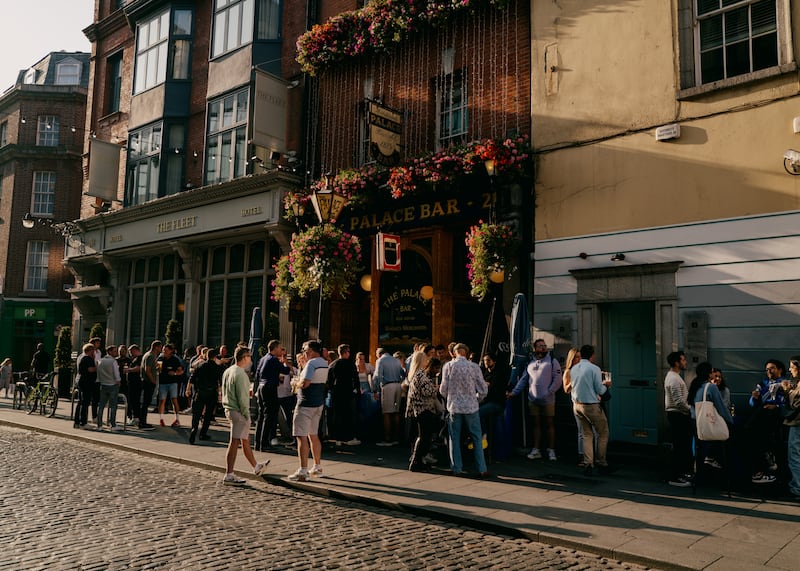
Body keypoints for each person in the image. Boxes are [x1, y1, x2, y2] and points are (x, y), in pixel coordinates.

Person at [507, 339, 562, 461]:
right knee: (536, 424)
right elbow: (523, 380)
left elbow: (558, 379)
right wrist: (514, 392)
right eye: (540, 346)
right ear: (535, 348)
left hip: (548, 400)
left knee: (549, 424)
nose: (542, 347)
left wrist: (549, 392)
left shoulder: (552, 361)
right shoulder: (530, 363)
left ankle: (551, 450)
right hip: (533, 399)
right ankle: (536, 449)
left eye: (544, 345)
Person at [440, 343, 489, 477]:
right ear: (466, 353)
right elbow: (483, 389)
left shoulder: (448, 366)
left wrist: (450, 398)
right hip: (471, 407)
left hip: (454, 407)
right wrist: (476, 399)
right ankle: (482, 468)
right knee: (476, 437)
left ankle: (457, 468)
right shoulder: (474, 367)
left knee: (454, 438)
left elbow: (443, 389)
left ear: (455, 353)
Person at [221, 346, 269, 485]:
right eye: (249, 356)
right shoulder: (241, 374)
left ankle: (256, 466)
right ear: (244, 357)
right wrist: (247, 415)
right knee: (235, 442)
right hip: (238, 411)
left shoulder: (228, 371)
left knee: (244, 439)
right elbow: (243, 398)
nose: (251, 360)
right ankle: (229, 474)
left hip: (230, 409)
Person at [288, 340, 328, 482]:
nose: (303, 352)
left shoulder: (311, 363)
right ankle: (317, 466)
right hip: (318, 403)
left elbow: (305, 383)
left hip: (306, 403)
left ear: (311, 351)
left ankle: (303, 470)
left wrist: (295, 383)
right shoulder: (324, 362)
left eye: (305, 350)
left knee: (301, 436)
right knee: (313, 435)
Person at [568, 345, 611, 476]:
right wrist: (606, 387)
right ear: (592, 355)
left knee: (587, 434)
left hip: (577, 405)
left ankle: (588, 463)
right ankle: (601, 462)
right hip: (591, 405)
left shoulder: (574, 368)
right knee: (603, 433)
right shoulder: (594, 368)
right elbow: (599, 388)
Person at [688, 361, 734, 477]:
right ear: (709, 374)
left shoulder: (695, 386)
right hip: (707, 421)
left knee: (699, 447)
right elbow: (721, 407)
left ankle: (697, 473)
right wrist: (730, 421)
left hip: (695, 420)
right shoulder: (711, 387)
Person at [745, 359, 786, 484]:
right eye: (767, 369)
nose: (769, 371)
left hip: (775, 417)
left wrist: (777, 406)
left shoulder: (785, 383)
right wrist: (754, 397)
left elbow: (789, 403)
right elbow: (752, 404)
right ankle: (760, 469)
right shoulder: (762, 384)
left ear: (780, 370)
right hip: (761, 416)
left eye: (772, 368)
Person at [254, 340, 292, 451]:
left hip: (261, 387)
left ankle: (258, 442)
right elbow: (285, 371)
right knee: (269, 416)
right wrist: (285, 362)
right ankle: (264, 443)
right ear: (275, 348)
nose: (281, 350)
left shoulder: (263, 359)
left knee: (261, 416)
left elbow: (257, 375)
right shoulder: (273, 359)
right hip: (270, 388)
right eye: (280, 348)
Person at [407, 358, 442, 471]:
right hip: (423, 409)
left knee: (424, 436)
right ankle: (416, 461)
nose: (437, 371)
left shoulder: (419, 374)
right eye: (436, 368)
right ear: (431, 367)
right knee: (423, 437)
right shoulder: (424, 378)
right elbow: (428, 392)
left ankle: (419, 460)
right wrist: (436, 389)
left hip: (418, 409)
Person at [664, 351, 693, 487]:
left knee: (681, 446)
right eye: (683, 360)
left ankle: (680, 474)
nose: (685, 362)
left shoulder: (674, 376)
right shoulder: (674, 378)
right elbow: (678, 401)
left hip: (678, 414)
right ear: (677, 363)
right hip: (677, 415)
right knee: (680, 446)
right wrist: (691, 411)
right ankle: (675, 477)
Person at [187, 347, 223, 444]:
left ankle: (194, 428)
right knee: (208, 414)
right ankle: (203, 433)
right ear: (215, 357)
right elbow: (219, 383)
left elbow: (192, 378)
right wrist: (220, 396)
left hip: (200, 392)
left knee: (196, 413)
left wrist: (188, 389)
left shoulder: (200, 366)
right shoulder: (217, 368)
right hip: (211, 393)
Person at [328, 344, 361, 446]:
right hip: (347, 391)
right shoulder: (350, 364)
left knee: (338, 415)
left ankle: (338, 437)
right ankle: (348, 437)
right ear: (346, 353)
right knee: (349, 414)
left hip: (336, 392)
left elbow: (329, 380)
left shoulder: (333, 364)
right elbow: (355, 378)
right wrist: (358, 389)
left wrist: (331, 389)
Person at [374, 347, 405, 446]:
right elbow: (403, 373)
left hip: (388, 386)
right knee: (396, 412)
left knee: (386, 412)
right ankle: (396, 437)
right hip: (398, 385)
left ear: (379, 354)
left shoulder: (380, 360)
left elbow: (377, 376)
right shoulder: (396, 360)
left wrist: (375, 389)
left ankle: (387, 438)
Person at [783, 356, 800, 500]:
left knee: (794, 456)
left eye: (792, 367)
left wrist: (786, 391)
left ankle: (797, 488)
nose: (790, 369)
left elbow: (794, 406)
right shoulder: (796, 383)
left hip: (797, 424)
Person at [478, 353, 507, 437]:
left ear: (494, 361)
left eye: (488, 360)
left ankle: (483, 435)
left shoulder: (499, 374)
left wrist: (486, 386)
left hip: (496, 403)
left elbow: (493, 390)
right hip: (486, 401)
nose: (486, 362)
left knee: (478, 412)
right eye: (485, 360)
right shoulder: (484, 374)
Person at [157, 343, 184, 427]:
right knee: (162, 400)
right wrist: (157, 369)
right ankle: (161, 419)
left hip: (172, 382)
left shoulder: (175, 359)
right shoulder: (160, 358)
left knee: (174, 400)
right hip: (162, 382)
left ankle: (177, 419)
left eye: (166, 350)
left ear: (171, 351)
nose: (164, 351)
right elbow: (157, 368)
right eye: (163, 350)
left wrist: (175, 373)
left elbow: (181, 371)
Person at [96, 345, 122, 432]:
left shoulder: (100, 361)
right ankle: (113, 424)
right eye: (114, 351)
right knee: (113, 406)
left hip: (103, 384)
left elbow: (98, 372)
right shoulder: (113, 361)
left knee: (101, 406)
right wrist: (118, 381)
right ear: (109, 352)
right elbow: (116, 373)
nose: (116, 353)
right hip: (112, 385)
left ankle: (99, 425)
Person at [139, 340, 162, 430]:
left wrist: (156, 368)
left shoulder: (151, 355)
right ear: (156, 347)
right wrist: (153, 381)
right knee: (146, 402)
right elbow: (147, 370)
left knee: (146, 402)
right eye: (160, 347)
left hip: (147, 381)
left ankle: (143, 421)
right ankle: (142, 423)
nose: (161, 349)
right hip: (148, 382)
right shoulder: (150, 356)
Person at [73, 343, 97, 429]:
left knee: (80, 402)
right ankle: (83, 422)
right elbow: (90, 369)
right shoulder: (88, 358)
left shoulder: (81, 357)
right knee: (85, 402)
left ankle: (77, 422)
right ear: (90, 351)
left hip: (80, 381)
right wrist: (98, 366)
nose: (94, 352)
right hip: (86, 382)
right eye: (93, 351)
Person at [125, 345, 143, 425]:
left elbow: (139, 368)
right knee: (132, 400)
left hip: (136, 382)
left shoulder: (140, 358)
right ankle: (134, 416)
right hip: (131, 382)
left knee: (135, 400)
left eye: (131, 352)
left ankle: (136, 417)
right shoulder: (134, 359)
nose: (130, 354)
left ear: (136, 350)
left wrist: (129, 370)